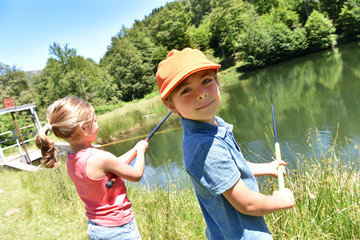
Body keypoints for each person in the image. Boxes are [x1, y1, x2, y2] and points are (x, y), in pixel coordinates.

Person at [156, 48, 295, 239]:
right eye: (186, 90)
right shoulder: (206, 146)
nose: (201, 93)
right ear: (170, 105)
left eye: (206, 81)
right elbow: (247, 204)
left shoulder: (212, 126)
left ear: (217, 82)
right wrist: (279, 200)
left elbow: (232, 168)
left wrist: (267, 167)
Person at [35, 96, 148, 240]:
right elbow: (136, 174)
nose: (98, 125)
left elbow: (114, 165)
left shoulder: (72, 158)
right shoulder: (100, 157)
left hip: (97, 228)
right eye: (94, 121)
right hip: (120, 230)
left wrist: (135, 149)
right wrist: (141, 152)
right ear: (83, 127)